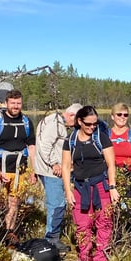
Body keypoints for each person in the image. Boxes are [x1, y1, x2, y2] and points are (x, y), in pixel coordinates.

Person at [62, 105, 120, 261]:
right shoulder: (70, 141)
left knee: (104, 222)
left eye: (95, 124)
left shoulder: (101, 138)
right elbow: (66, 167)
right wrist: (68, 191)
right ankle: (84, 257)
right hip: (80, 187)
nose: (92, 127)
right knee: (82, 225)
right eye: (88, 124)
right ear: (79, 121)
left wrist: (113, 186)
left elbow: (111, 164)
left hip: (101, 185)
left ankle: (101, 259)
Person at [0, 89, 37, 244]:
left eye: (18, 103)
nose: (16, 106)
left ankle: (9, 232)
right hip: (1, 168)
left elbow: (31, 147)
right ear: (6, 103)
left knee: (14, 202)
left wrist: (33, 170)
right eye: (13, 103)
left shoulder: (27, 122)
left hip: (19, 168)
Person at [33, 103, 81, 252]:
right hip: (51, 171)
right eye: (78, 120)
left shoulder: (58, 122)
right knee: (57, 204)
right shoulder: (54, 122)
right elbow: (44, 144)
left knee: (59, 202)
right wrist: (54, 163)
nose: (78, 124)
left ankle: (54, 236)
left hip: (56, 169)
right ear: (71, 115)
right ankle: (51, 239)